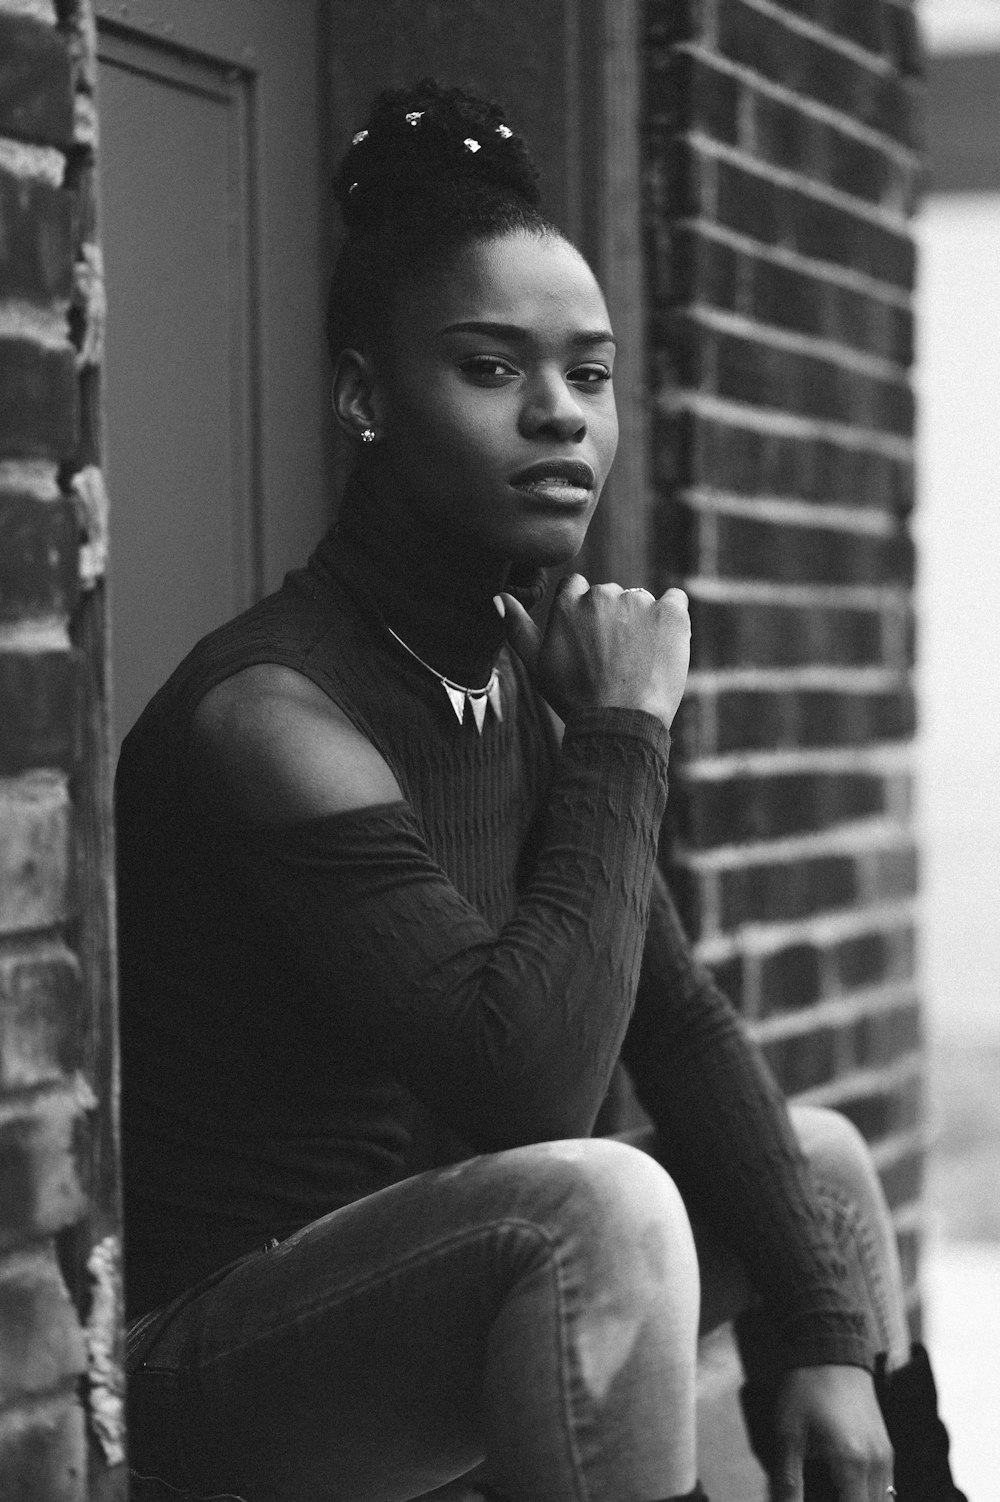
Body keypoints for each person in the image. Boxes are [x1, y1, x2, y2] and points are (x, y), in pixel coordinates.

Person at [117, 80, 966, 1502]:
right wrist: (625, 734)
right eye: (494, 368)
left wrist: (824, 1335)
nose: (560, 415)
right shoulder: (273, 710)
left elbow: (675, 1016)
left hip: (437, 1285)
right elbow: (528, 1085)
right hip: (217, 1362)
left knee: (808, 1168)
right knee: (602, 1201)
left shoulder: (523, 668)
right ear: (364, 398)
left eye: (592, 371)